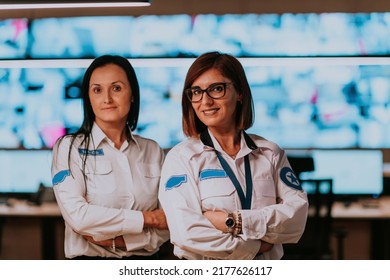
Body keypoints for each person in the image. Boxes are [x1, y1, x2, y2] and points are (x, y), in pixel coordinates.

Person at [158, 51, 309, 260]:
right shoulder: (182, 158)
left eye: (216, 89)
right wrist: (254, 246)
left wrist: (233, 221)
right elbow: (186, 233)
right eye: (196, 92)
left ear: (240, 93)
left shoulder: (270, 153)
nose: (206, 101)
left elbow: (296, 219)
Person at [51, 55, 169, 259]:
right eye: (97, 90)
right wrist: (148, 218)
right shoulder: (68, 148)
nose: (107, 99)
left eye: (116, 88)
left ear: (132, 94)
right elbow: (79, 217)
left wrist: (122, 241)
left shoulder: (152, 150)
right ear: (88, 97)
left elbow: (169, 222)